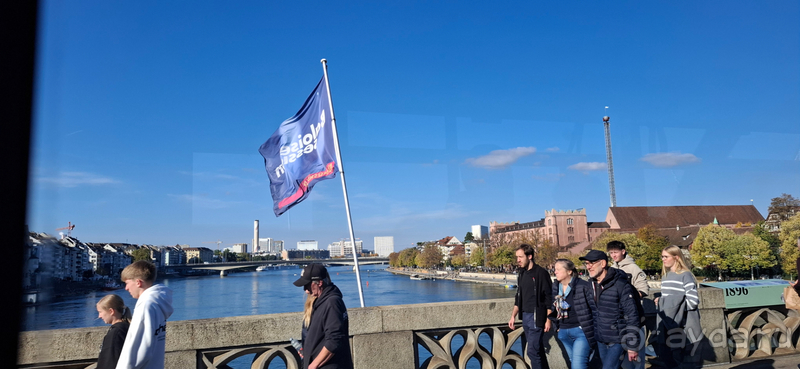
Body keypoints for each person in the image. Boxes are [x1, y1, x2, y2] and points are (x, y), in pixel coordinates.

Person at [580, 250, 640, 369]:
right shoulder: (590, 286)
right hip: (601, 339)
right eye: (586, 264)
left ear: (602, 263)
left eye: (591, 263)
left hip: (618, 340)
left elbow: (632, 315)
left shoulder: (620, 285)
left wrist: (632, 346)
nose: (588, 267)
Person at [293, 263, 353, 369]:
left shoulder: (332, 302)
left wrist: (313, 365)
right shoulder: (320, 302)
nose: (305, 290)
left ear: (319, 283)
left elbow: (334, 341)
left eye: (307, 285)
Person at [116, 261, 174, 369]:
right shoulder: (158, 302)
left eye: (127, 283)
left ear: (138, 282)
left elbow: (139, 347)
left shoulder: (146, 306)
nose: (126, 288)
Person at [654, 246, 702, 368]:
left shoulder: (685, 275)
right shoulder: (665, 276)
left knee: (685, 358)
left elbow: (693, 301)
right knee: (670, 357)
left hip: (685, 323)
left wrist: (675, 307)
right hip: (669, 323)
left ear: (676, 257)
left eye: (666, 257)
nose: (663, 259)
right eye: (662, 256)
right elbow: (667, 299)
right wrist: (661, 301)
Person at [508, 244, 553, 369]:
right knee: (538, 351)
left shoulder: (541, 273)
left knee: (532, 351)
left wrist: (548, 320)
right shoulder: (521, 273)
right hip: (525, 317)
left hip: (537, 317)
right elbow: (519, 296)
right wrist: (513, 316)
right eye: (517, 257)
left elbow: (549, 298)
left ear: (530, 256)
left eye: (521, 257)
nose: (518, 260)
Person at [607, 241, 648, 369]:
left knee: (636, 359)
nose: (613, 255)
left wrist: (628, 299)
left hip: (632, 315)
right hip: (617, 319)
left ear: (623, 252)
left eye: (615, 252)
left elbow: (643, 289)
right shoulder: (611, 269)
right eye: (611, 253)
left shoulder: (633, 268)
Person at [550, 259, 597, 369]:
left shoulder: (583, 286)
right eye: (554, 269)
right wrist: (556, 326)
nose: (555, 272)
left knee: (578, 365)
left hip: (581, 331)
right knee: (576, 362)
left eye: (558, 269)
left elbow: (594, 308)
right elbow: (553, 307)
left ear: (569, 271)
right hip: (563, 331)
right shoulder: (556, 286)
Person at [96, 294, 132, 369]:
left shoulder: (115, 333)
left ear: (111, 311)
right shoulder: (127, 327)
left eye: (100, 312)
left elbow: (109, 362)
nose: (99, 316)